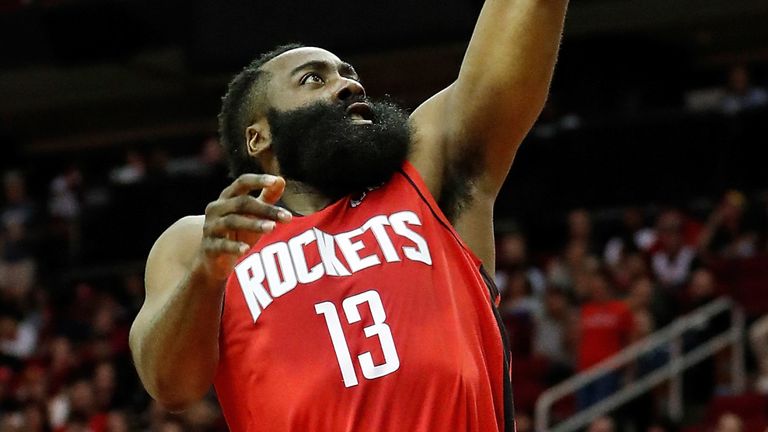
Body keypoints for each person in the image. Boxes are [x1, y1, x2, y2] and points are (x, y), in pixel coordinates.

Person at [129, 2, 569, 431]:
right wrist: (206, 277)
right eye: (313, 79)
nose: (348, 86)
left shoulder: (424, 176)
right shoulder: (200, 241)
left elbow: (516, 32)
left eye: (349, 75)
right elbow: (171, 386)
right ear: (258, 136)